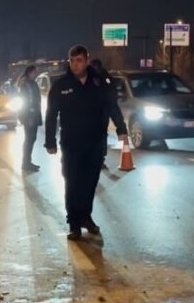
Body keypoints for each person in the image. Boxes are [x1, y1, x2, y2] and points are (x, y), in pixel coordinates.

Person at [45, 45, 128, 241]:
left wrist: (121, 128)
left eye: (79, 60)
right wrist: (50, 141)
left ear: (87, 60)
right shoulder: (61, 85)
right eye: (72, 61)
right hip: (71, 143)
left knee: (90, 182)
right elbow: (51, 115)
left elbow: (112, 106)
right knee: (73, 182)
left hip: (95, 141)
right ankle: (74, 223)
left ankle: (86, 217)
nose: (75, 65)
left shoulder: (99, 82)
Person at [90, 58, 118, 169]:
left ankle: (100, 159)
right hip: (94, 113)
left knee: (100, 136)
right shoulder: (89, 77)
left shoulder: (105, 78)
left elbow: (111, 91)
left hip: (101, 112)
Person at [17, 65, 42, 172]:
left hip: (33, 115)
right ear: (30, 72)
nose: (36, 74)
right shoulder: (26, 84)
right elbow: (29, 101)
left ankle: (27, 162)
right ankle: (26, 163)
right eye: (35, 72)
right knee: (29, 139)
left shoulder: (31, 83)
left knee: (31, 139)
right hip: (30, 116)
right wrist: (30, 116)